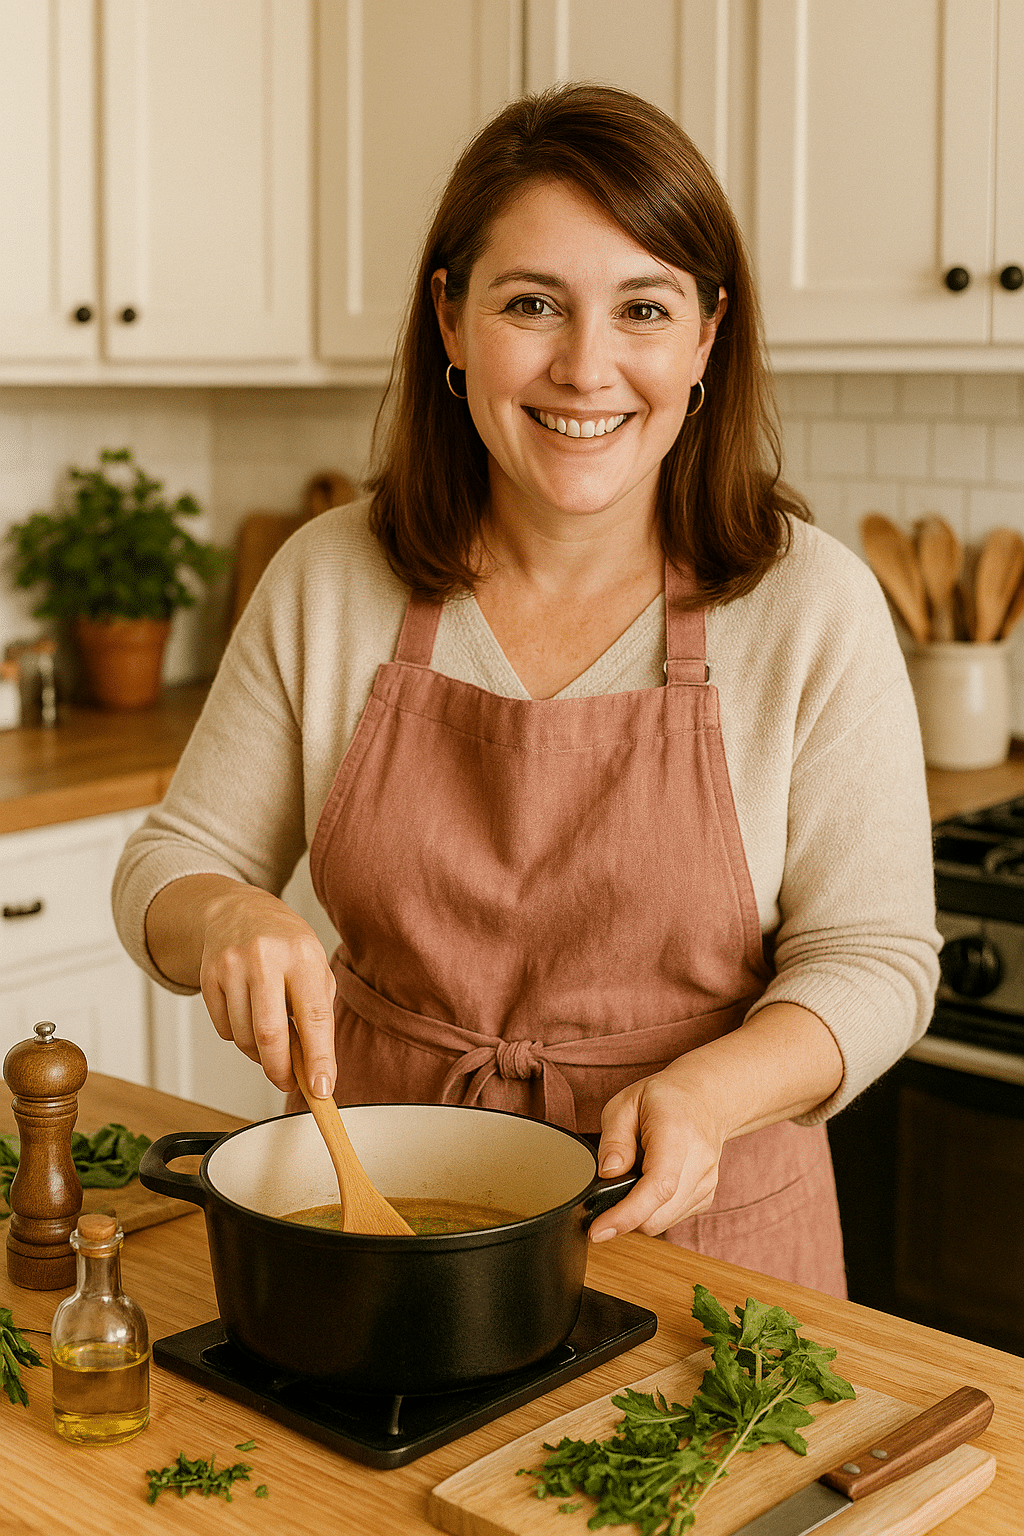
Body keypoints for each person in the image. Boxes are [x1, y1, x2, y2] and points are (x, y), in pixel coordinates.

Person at [113, 84, 939, 1296]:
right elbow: (169, 861)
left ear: (705, 335)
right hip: (386, 1222)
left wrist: (714, 1091)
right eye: (531, 304)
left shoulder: (810, 603)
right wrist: (225, 915)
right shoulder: (331, 577)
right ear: (451, 320)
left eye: (642, 308)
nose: (585, 366)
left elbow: (876, 960)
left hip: (704, 1243)